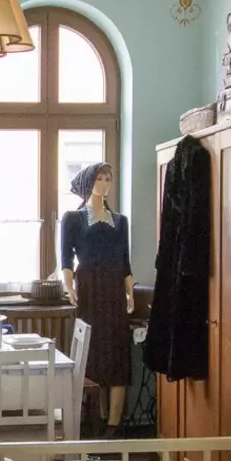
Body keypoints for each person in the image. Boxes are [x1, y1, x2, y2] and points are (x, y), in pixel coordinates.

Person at [59, 162, 134, 436]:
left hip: (114, 290)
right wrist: (69, 287)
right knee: (91, 354)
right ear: (89, 182)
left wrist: (130, 292)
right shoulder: (73, 218)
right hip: (89, 289)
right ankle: (92, 422)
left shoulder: (121, 221)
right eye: (99, 178)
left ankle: (113, 426)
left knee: (117, 355)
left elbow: (125, 261)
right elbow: (66, 258)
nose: (104, 184)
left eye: (108, 179)